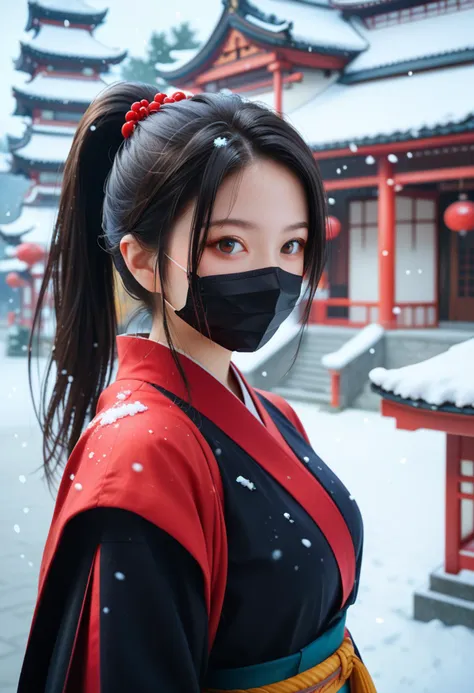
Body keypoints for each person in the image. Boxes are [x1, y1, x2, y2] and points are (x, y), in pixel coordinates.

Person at [19, 84, 376, 693]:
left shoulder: (273, 412)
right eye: (228, 243)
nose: (273, 273)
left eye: (291, 244)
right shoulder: (142, 454)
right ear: (141, 261)